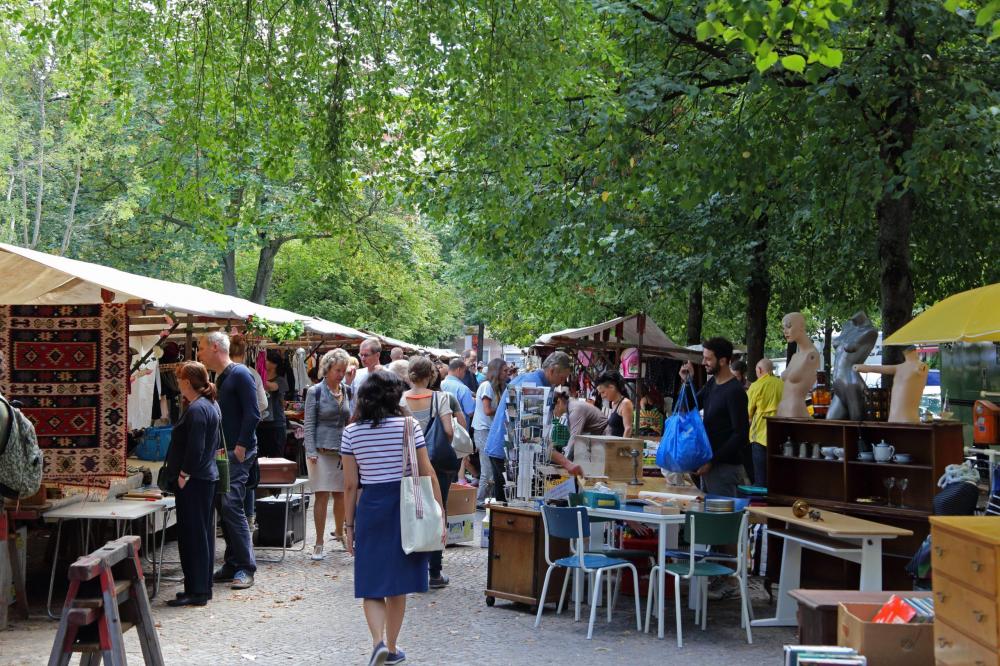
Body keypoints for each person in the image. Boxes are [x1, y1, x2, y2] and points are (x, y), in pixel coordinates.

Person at [342, 371, 445, 666]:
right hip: (405, 508)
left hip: (371, 507)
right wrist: (439, 512)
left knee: (372, 584)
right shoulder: (409, 426)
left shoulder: (352, 432)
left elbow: (350, 485)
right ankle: (392, 646)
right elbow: (427, 472)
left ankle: (377, 644)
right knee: (397, 586)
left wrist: (349, 527)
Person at [198, 331, 259, 591]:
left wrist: (242, 446)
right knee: (226, 507)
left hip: (237, 453)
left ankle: (246, 567)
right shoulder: (222, 377)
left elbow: (253, 413)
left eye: (200, 347)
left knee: (231, 505)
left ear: (214, 347)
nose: (198, 353)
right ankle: (233, 563)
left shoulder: (241, 374)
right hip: (226, 453)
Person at [165, 362, 221, 607]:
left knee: (193, 536)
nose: (177, 384)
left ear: (187, 382)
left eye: (179, 380)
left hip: (195, 479)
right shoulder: (209, 405)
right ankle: (199, 587)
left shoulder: (198, 408)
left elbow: (195, 448)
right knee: (201, 534)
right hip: (205, 477)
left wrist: (183, 474)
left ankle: (197, 591)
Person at [485, 352, 573, 503]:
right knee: (509, 507)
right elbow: (532, 437)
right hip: (506, 453)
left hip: (507, 451)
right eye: (562, 378)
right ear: (552, 370)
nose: (561, 383)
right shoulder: (533, 386)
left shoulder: (533, 381)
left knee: (510, 505)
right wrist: (566, 462)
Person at [402, 357, 454, 590]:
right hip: (436, 464)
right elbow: (449, 432)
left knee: (411, 512)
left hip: (407, 465)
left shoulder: (400, 399)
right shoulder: (440, 398)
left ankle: (413, 568)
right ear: (431, 375)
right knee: (436, 512)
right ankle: (434, 571)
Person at [678, 337, 750, 498]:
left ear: (723, 361)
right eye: (704, 357)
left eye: (708, 358)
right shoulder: (712, 384)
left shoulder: (734, 392)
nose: (704, 362)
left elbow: (741, 434)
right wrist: (687, 381)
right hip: (709, 464)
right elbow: (690, 406)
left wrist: (712, 460)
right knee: (708, 515)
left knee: (721, 519)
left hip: (725, 467)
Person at [304, 349, 353, 560]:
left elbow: (350, 420)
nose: (340, 374)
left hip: (343, 451)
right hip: (321, 451)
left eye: (343, 370)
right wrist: (310, 450)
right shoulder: (315, 391)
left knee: (341, 495)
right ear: (327, 369)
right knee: (321, 495)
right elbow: (309, 423)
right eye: (337, 370)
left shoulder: (348, 391)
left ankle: (340, 534)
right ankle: (319, 542)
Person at [472, 358, 506, 507]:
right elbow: (487, 410)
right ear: (497, 371)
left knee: (491, 468)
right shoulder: (487, 386)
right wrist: (505, 409)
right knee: (487, 468)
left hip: (488, 431)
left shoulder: (496, 387)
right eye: (504, 370)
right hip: (483, 430)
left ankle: (488, 499)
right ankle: (480, 501)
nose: (507, 373)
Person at [746, 358, 783, 487]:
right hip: (779, 433)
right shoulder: (781, 384)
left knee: (760, 477)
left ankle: (760, 503)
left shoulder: (756, 386)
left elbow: (748, 412)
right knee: (776, 475)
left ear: (760, 370)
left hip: (759, 435)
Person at [256, 350, 289, 458]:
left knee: (276, 459)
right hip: (260, 424)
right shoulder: (258, 377)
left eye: (266, 360)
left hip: (276, 425)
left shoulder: (281, 380)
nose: (264, 362)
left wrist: (258, 376)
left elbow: (271, 386)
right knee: (260, 459)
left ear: (274, 364)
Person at [596, 372, 634, 438]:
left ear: (612, 387)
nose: (602, 396)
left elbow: (628, 429)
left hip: (620, 446)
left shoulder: (625, 403)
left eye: (603, 392)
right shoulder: (613, 403)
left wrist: (622, 447)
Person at [441, 358, 476, 425]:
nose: (464, 374)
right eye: (464, 371)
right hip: (460, 429)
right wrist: (475, 401)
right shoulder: (463, 388)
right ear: (459, 370)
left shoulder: (440, 385)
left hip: (443, 427)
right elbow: (470, 412)